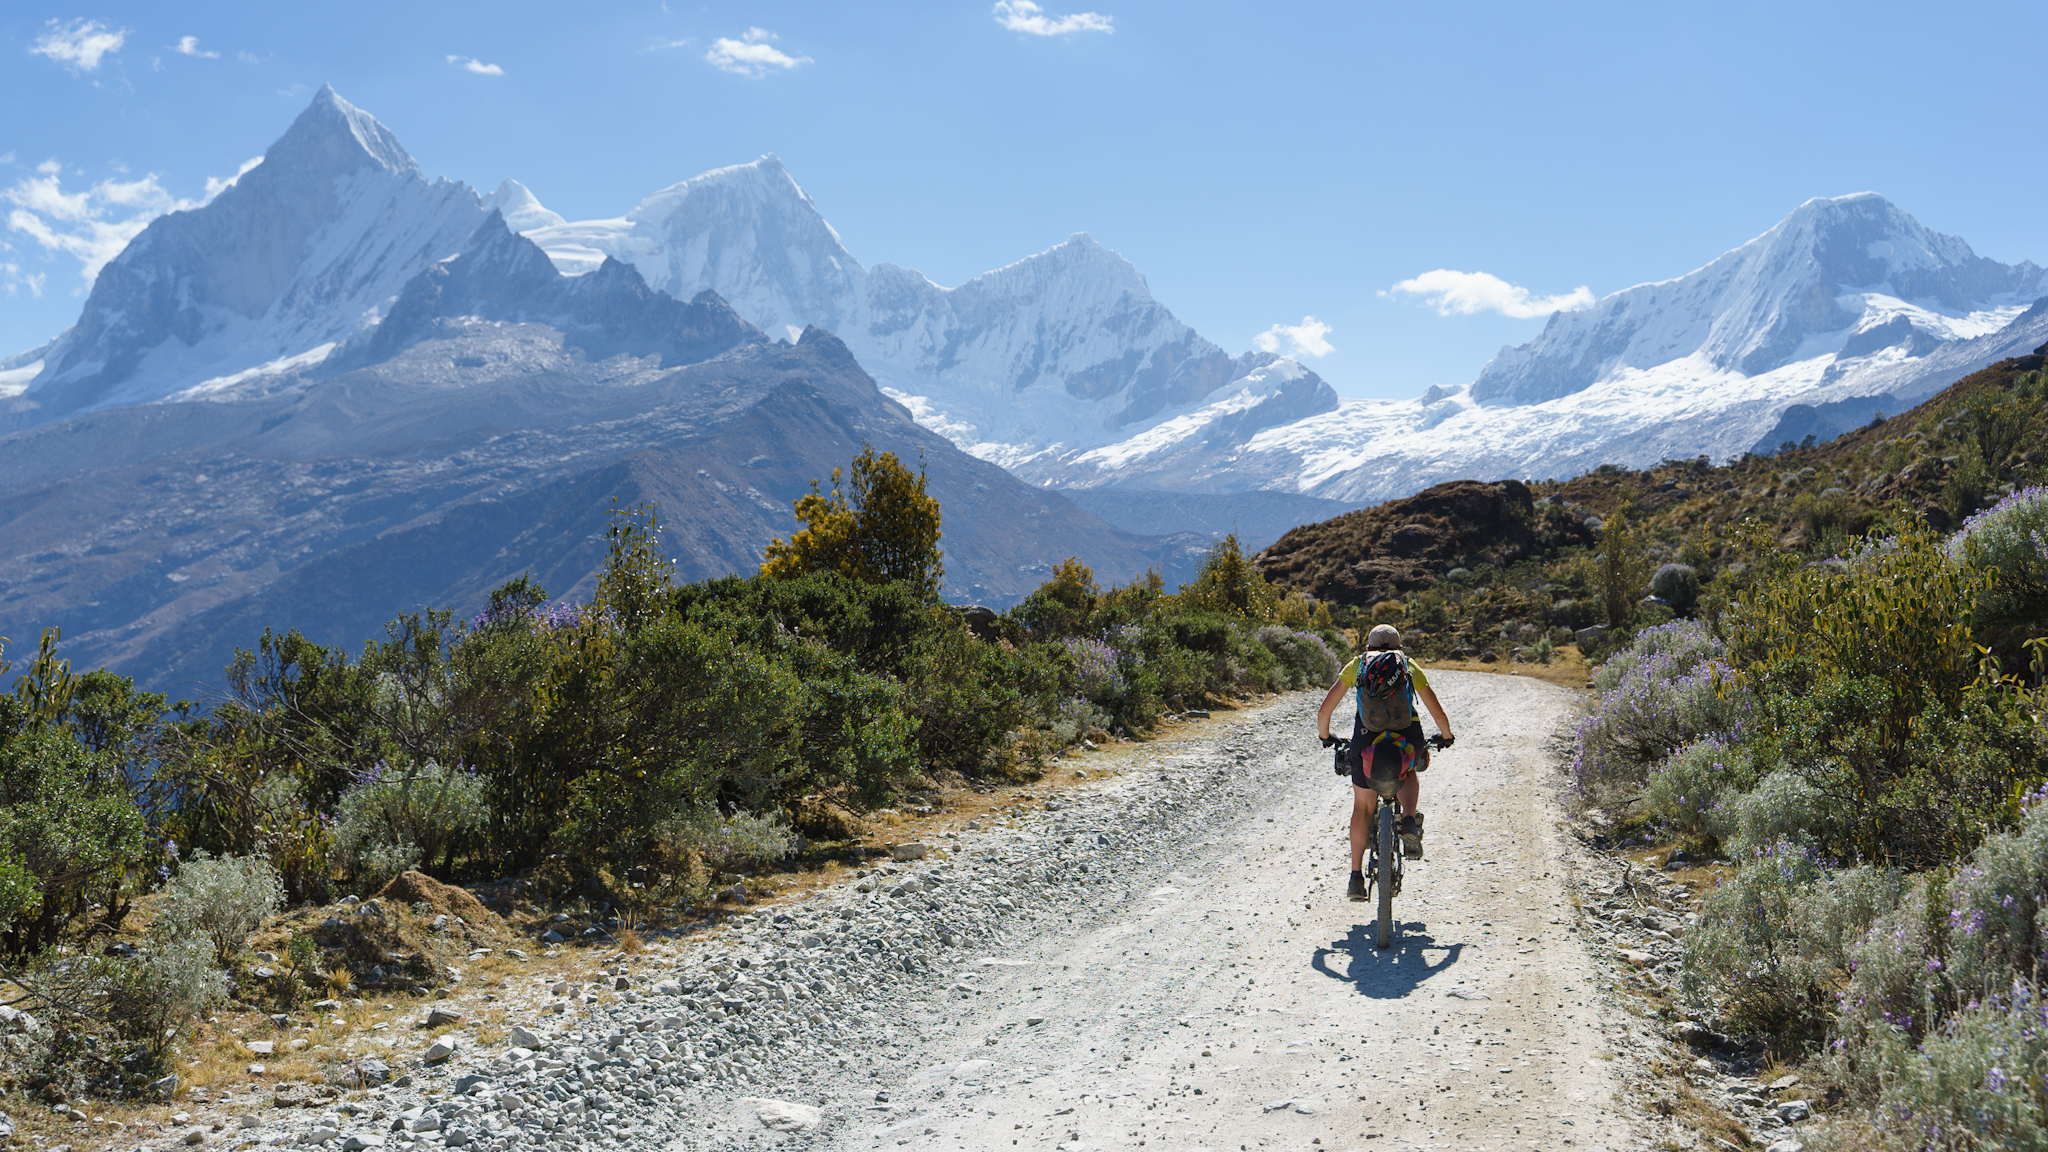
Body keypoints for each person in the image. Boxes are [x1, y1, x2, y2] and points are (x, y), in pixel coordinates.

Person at [1315, 623, 1454, 901]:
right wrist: (1446, 736)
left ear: (1368, 647)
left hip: (1367, 737)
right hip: (1406, 733)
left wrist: (1326, 736)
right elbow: (1435, 710)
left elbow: (1325, 709)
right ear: (1399, 647)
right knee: (1410, 768)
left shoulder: (1358, 664)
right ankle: (1410, 820)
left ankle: (1356, 878)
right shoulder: (1407, 665)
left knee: (1362, 806)